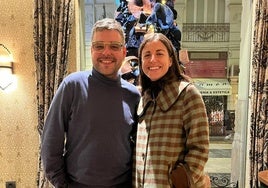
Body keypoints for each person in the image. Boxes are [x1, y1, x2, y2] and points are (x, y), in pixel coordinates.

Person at [41, 18, 141, 188]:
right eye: (99, 46)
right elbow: (51, 142)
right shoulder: (72, 86)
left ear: (124, 52)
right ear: (91, 50)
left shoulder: (133, 95)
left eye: (114, 46)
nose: (106, 53)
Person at [133, 33, 209, 187]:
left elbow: (200, 149)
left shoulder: (188, 94)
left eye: (159, 53)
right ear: (141, 62)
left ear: (170, 60)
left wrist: (179, 182)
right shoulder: (143, 98)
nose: (152, 59)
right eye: (147, 55)